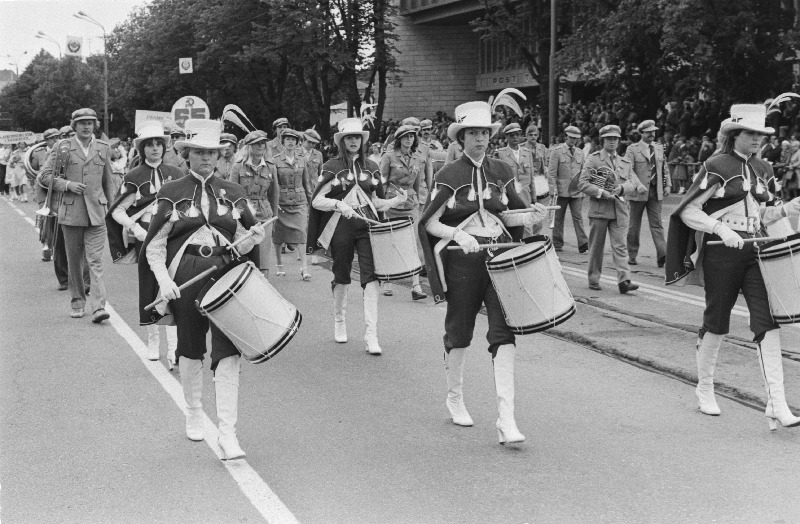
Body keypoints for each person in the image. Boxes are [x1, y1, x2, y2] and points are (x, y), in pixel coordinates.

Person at [419, 101, 548, 445]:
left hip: (499, 255)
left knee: (503, 333)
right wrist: (457, 234)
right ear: (461, 138)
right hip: (463, 259)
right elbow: (429, 222)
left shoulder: (502, 170)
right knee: (460, 330)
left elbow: (510, 215)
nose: (479, 138)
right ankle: (455, 396)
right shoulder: (449, 175)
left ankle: (507, 418)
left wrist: (530, 217)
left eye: (484, 132)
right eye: (472, 133)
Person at [665, 104, 800, 430]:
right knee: (717, 321)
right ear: (734, 134)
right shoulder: (717, 165)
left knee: (768, 322)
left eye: (761, 134)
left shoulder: (765, 167)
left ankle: (777, 402)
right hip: (722, 253)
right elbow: (688, 211)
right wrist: (722, 230)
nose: (757, 139)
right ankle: (705, 388)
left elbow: (764, 216)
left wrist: (789, 210)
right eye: (751, 133)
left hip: (756, 252)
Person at [139, 119, 266, 459]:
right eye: (198, 151)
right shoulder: (171, 192)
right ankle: (194, 411)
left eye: (212, 152)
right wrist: (164, 281)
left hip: (226, 276)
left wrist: (254, 237)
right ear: (186, 154)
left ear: (220, 155)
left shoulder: (234, 192)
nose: (206, 157)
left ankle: (228, 433)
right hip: (185, 279)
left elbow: (253, 234)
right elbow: (154, 246)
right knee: (191, 349)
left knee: (229, 353)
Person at [307, 117, 407, 355]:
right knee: (341, 274)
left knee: (371, 276)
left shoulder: (371, 167)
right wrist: (339, 206)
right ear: (342, 141)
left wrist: (395, 200)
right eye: (349, 138)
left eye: (357, 138)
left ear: (362, 141)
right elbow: (317, 201)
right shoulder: (332, 166)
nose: (353, 141)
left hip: (367, 226)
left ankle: (371, 334)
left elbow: (376, 201)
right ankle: (339, 320)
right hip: (341, 224)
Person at [107, 121, 184, 365]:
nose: (154, 149)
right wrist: (136, 229)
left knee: (172, 289)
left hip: (173, 238)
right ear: (142, 149)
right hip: (146, 237)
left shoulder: (176, 173)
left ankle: (174, 348)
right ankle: (153, 342)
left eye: (158, 144)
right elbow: (118, 211)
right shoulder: (134, 176)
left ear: (164, 147)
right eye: (149, 145)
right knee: (150, 288)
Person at [40, 108, 115, 322]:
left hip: (97, 213)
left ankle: (99, 307)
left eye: (90, 123)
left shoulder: (102, 148)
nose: (86, 126)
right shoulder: (63, 148)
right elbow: (44, 176)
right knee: (74, 261)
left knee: (96, 261)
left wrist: (112, 210)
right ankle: (77, 301)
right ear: (74, 126)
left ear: (95, 125)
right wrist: (67, 184)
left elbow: (109, 182)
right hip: (71, 213)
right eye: (82, 122)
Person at [577, 124, 645, 293]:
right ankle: (593, 279)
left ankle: (624, 281)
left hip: (620, 210)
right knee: (596, 247)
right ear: (603, 140)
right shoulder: (594, 159)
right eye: (609, 139)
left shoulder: (625, 162)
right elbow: (582, 183)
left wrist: (622, 189)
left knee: (620, 246)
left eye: (615, 139)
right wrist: (601, 192)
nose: (613, 142)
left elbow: (632, 182)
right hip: (600, 209)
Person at [378, 123, 427, 300]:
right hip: (392, 203)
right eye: (405, 136)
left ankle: (416, 286)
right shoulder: (389, 157)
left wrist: (419, 201)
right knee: (391, 241)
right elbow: (381, 182)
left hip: (410, 204)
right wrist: (382, 204)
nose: (409, 139)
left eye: (412, 136)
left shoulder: (417, 158)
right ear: (399, 139)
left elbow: (417, 183)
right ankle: (388, 281)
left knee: (413, 243)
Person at [229, 130, 278, 276]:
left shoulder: (270, 167)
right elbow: (232, 193)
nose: (261, 145)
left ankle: (265, 288)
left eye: (263, 142)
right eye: (257, 143)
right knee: (245, 254)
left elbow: (274, 194)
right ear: (249, 146)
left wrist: (274, 217)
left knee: (263, 258)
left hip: (265, 215)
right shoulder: (238, 166)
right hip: (243, 215)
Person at [624, 120, 670, 267]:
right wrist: (637, 185)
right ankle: (632, 254)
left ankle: (662, 255)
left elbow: (664, 167)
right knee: (634, 225)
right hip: (638, 193)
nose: (652, 134)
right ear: (641, 133)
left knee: (657, 224)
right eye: (648, 132)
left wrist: (668, 184)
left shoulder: (659, 148)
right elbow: (628, 170)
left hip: (655, 192)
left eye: (653, 131)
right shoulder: (633, 149)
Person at [272, 129, 313, 280]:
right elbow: (273, 185)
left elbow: (306, 182)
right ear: (282, 142)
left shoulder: (302, 160)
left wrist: (311, 202)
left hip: (299, 201)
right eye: (287, 139)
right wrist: (273, 204)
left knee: (302, 232)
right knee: (279, 234)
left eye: (293, 139)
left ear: (297, 143)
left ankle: (304, 267)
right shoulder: (275, 160)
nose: (290, 142)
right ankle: (279, 264)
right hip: (281, 202)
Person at [547, 125, 588, 253]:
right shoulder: (557, 151)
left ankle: (583, 244)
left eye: (575, 139)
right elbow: (552, 173)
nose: (573, 141)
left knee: (578, 217)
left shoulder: (580, 152)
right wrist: (553, 190)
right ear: (566, 137)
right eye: (571, 138)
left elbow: (584, 172)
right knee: (559, 218)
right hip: (561, 191)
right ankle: (558, 243)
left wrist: (584, 188)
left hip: (576, 191)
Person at [496, 123, 536, 236]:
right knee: (512, 224)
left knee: (528, 224)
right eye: (511, 135)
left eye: (517, 134)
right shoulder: (501, 154)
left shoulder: (527, 153)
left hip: (525, 195)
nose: (515, 137)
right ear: (506, 137)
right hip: (509, 195)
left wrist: (534, 198)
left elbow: (531, 178)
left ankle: (529, 248)